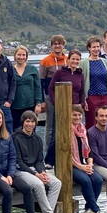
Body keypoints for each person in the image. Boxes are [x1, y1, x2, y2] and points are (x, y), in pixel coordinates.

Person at [12, 111, 63, 213]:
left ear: (35, 123)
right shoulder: (15, 138)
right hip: (20, 171)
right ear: (23, 122)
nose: (30, 124)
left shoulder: (37, 139)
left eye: (32, 121)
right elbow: (18, 161)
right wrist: (36, 175)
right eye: (27, 121)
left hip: (36, 170)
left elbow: (40, 160)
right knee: (39, 184)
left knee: (56, 183)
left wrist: (42, 172)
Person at [70, 105, 106, 213]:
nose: (77, 117)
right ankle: (97, 210)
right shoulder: (66, 130)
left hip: (84, 163)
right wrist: (81, 167)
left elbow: (88, 151)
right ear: (69, 115)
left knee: (98, 179)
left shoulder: (82, 130)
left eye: (79, 115)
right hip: (71, 166)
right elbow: (66, 155)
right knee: (86, 180)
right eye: (74, 114)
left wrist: (89, 164)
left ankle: (88, 208)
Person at [40, 34, 68, 165]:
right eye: (55, 43)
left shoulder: (67, 60)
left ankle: (62, 154)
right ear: (51, 46)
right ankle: (48, 158)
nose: (57, 46)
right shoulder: (45, 61)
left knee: (63, 125)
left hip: (65, 97)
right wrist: (43, 100)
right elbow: (41, 81)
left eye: (60, 43)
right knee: (50, 127)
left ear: (63, 45)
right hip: (50, 97)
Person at [11, 46, 44, 132]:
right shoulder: (11, 70)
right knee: (16, 131)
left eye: (23, 55)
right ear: (15, 56)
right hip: (14, 106)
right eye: (19, 55)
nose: (21, 57)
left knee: (30, 130)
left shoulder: (32, 69)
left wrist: (38, 103)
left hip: (30, 106)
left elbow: (38, 87)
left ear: (26, 56)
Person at [83, 37, 107, 129]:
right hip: (92, 97)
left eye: (98, 47)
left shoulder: (104, 61)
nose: (96, 49)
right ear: (89, 48)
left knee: (105, 123)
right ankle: (91, 143)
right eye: (93, 47)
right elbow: (83, 82)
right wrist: (84, 99)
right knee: (92, 123)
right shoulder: (84, 63)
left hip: (105, 96)